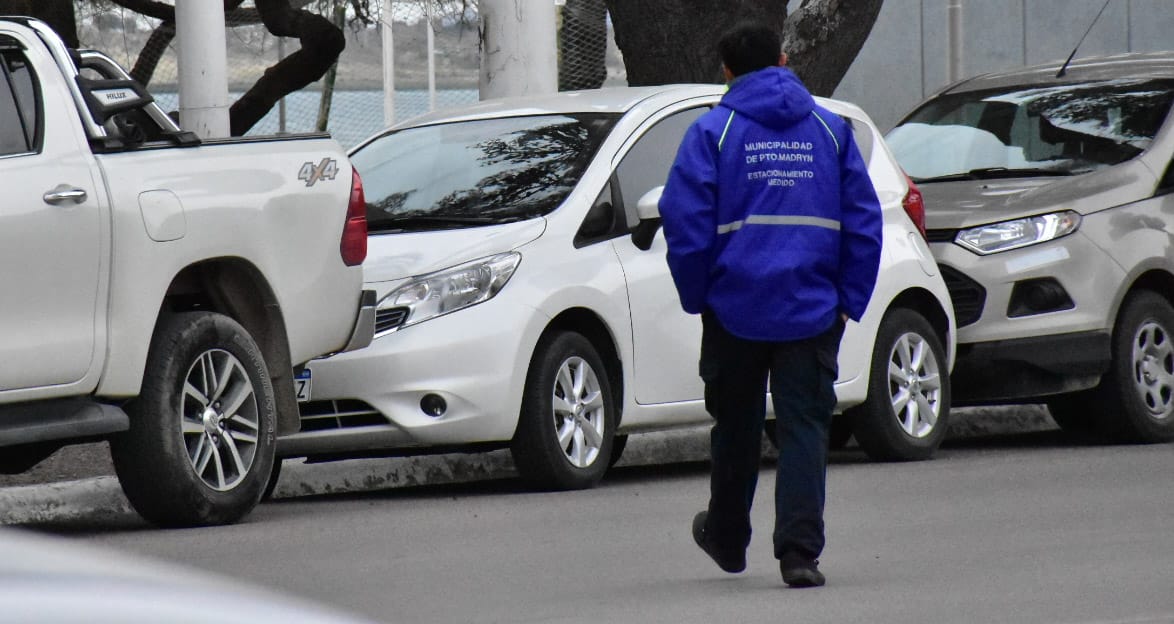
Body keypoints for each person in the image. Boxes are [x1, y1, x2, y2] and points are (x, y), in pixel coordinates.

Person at [658, 21, 883, 588]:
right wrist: (847, 302)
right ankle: (799, 555)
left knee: (734, 426)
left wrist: (698, 295)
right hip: (813, 309)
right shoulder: (831, 133)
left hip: (734, 308)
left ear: (726, 71)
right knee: (804, 426)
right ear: (784, 60)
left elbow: (684, 224)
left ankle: (728, 539)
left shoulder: (713, 132)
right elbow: (864, 223)